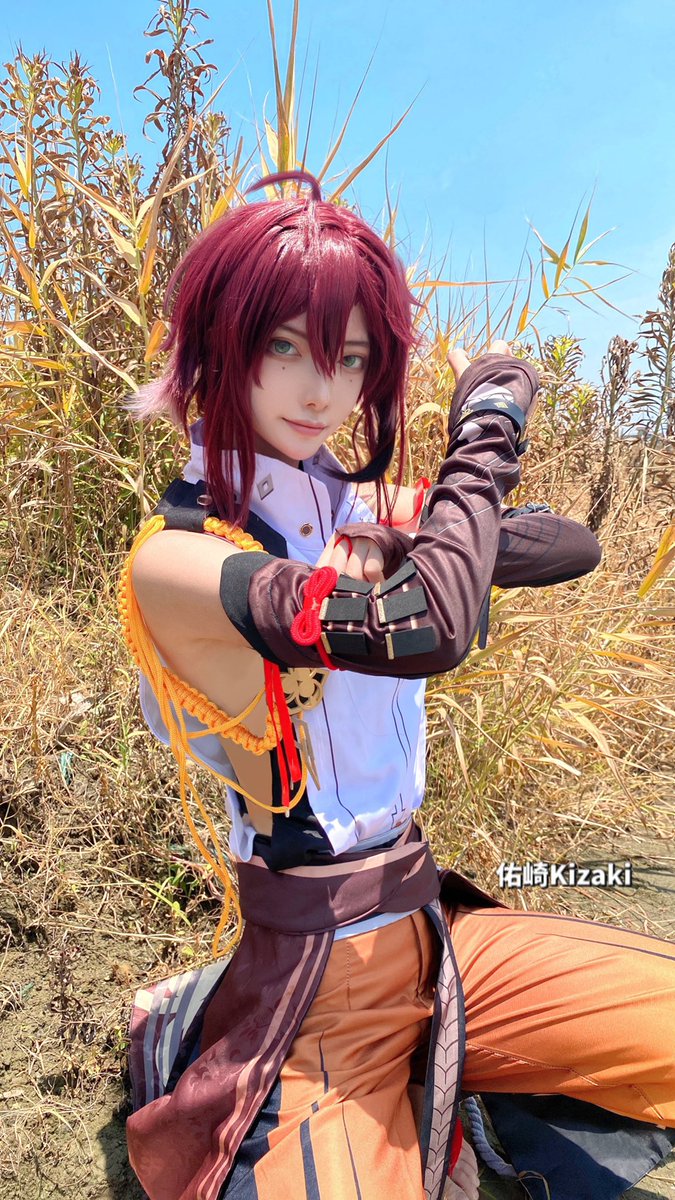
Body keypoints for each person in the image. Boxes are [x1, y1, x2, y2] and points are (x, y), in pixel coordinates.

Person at [118, 170, 675, 1200]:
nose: (320, 391)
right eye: (284, 345)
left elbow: (570, 545)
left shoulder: (352, 510)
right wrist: (487, 424)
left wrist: (408, 532)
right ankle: (199, 1021)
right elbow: (428, 629)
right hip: (314, 998)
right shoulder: (178, 557)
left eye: (350, 358)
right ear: (221, 345)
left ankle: (460, 1087)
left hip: (440, 938)